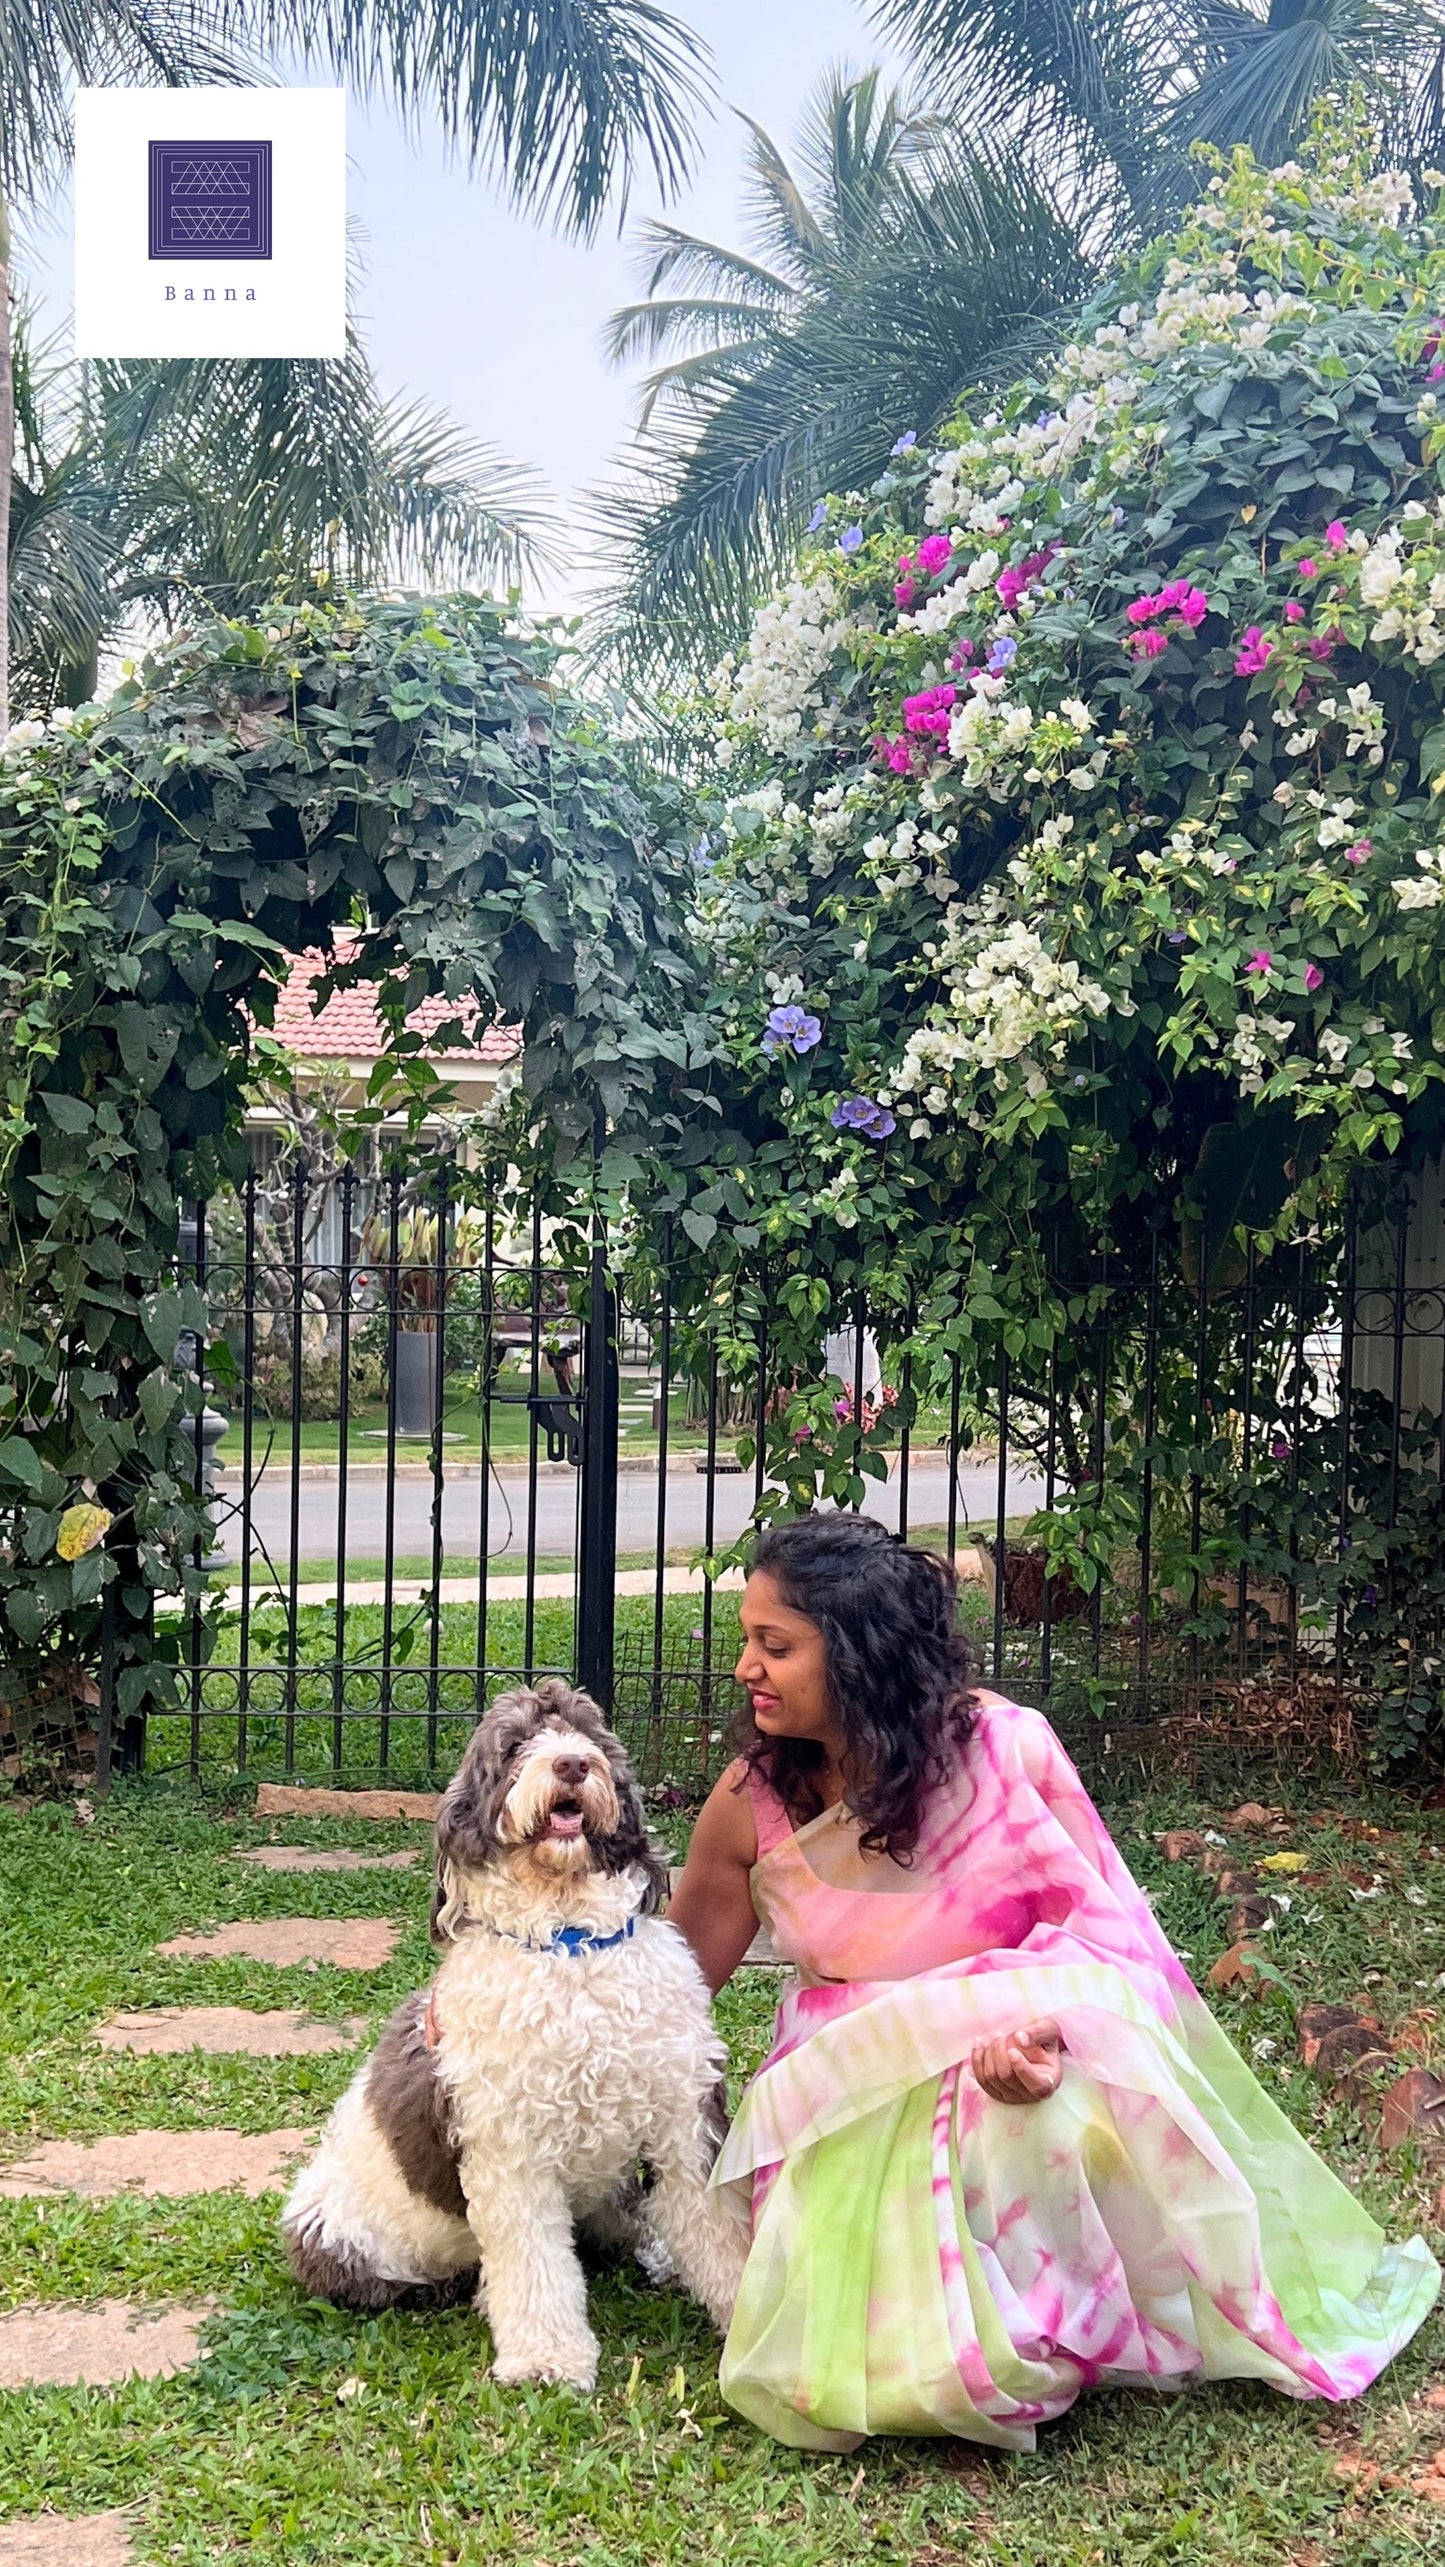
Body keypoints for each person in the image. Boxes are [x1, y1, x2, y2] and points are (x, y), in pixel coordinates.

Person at [666, 1513, 1440, 2453]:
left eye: (774, 1644)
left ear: (861, 1652)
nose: (745, 1665)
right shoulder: (749, 1806)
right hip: (848, 2093)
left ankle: (1087, 2317)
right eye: (747, 1639)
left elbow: (1105, 1934)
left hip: (1024, 2059)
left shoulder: (1003, 1751)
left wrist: (1038, 2033)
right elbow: (667, 1997)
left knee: (1045, 2107)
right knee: (885, 2376)